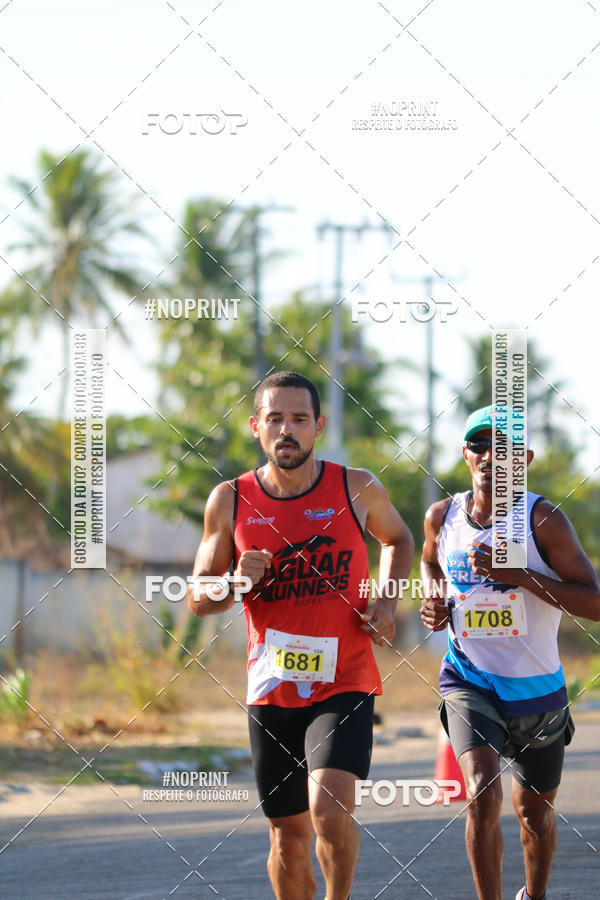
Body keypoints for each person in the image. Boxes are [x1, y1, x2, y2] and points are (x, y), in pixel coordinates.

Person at [188, 370, 414, 900]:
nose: (286, 430)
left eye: (298, 419)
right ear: (255, 427)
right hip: (272, 688)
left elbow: (398, 537)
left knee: (329, 809)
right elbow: (199, 598)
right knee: (288, 836)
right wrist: (238, 582)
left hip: (346, 679)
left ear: (319, 426)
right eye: (274, 419)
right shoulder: (230, 500)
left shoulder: (354, 487)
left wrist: (385, 601)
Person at [420, 404, 600, 900]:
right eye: (479, 446)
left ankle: (534, 895)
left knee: (534, 812)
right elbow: (429, 563)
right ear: (465, 455)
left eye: (504, 448)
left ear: (524, 459)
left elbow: (595, 600)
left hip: (537, 688)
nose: (489, 457)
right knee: (480, 792)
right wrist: (433, 599)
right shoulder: (443, 515)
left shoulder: (544, 520)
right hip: (468, 677)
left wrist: (519, 576)